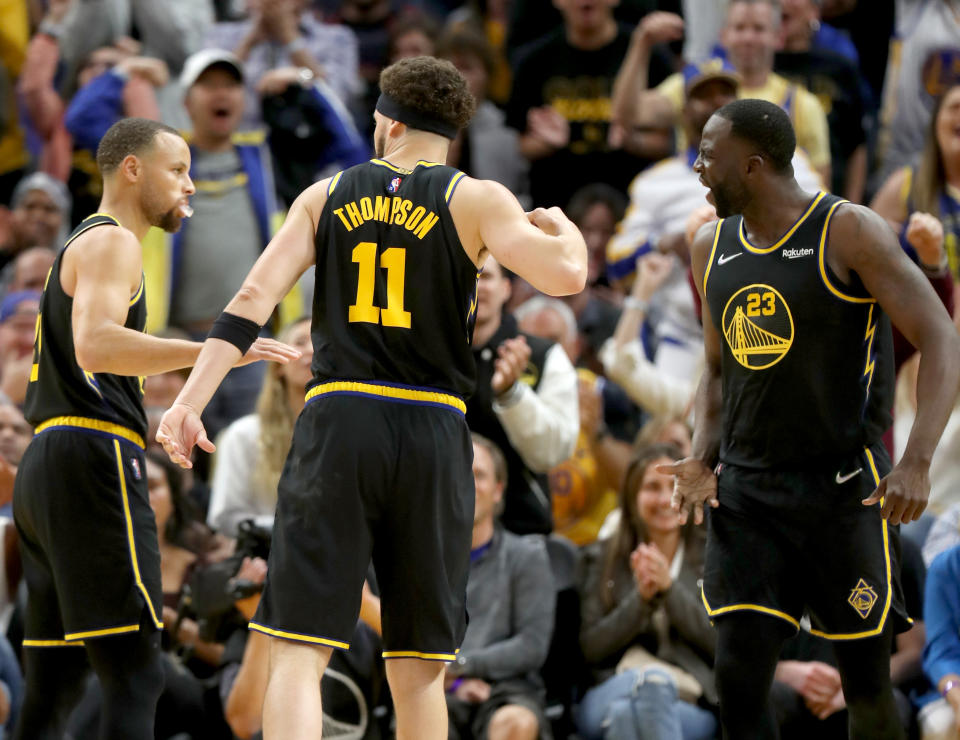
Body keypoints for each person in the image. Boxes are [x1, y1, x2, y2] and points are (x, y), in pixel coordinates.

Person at [156, 56, 587, 739]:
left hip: (341, 417)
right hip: (434, 426)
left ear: (384, 125)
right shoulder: (475, 197)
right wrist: (566, 227)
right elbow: (564, 278)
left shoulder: (325, 196)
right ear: (452, 135)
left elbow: (249, 303)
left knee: (298, 652)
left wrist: (189, 404)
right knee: (418, 670)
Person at [663, 98, 960, 739]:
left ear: (753, 165)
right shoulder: (709, 245)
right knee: (738, 681)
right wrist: (700, 455)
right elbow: (717, 372)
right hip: (748, 493)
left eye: (708, 156)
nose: (697, 167)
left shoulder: (846, 229)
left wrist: (915, 460)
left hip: (844, 493)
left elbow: (941, 336)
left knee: (866, 683)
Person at [11, 117, 296, 739]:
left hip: (47, 463)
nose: (190, 185)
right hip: (94, 456)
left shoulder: (85, 242)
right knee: (137, 676)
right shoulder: (114, 242)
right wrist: (214, 349)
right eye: (178, 170)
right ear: (132, 169)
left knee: (54, 682)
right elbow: (95, 346)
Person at [577, 443, 718, 740]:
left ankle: (654, 684)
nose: (666, 498)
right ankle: (652, 683)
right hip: (614, 686)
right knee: (647, 687)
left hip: (689, 697)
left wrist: (669, 589)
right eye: (652, 487)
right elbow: (591, 648)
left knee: (627, 716)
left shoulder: (713, 559)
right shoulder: (601, 559)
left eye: (675, 485)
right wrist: (640, 599)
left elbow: (722, 646)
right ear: (632, 496)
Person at [445, 434, 556, 740]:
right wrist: (453, 681)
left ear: (498, 490)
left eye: (479, 474)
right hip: (438, 688)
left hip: (510, 689)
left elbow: (531, 646)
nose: (468, 483)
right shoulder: (423, 560)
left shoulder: (527, 557)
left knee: (515, 724)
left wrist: (462, 665)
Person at [207, 316, 313, 536]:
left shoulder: (348, 434)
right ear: (278, 366)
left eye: (320, 342)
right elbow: (225, 517)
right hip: (264, 556)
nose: (312, 350)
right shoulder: (243, 435)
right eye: (300, 342)